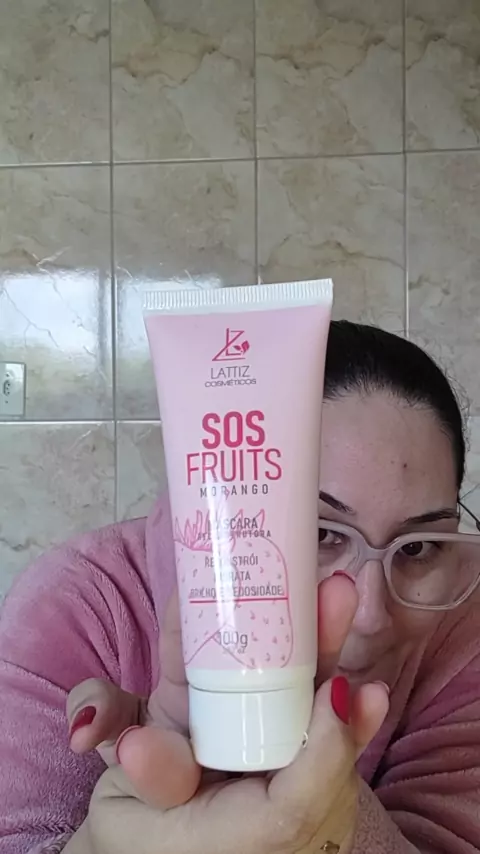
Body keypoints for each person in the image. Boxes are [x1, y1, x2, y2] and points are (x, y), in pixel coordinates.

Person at [1, 321, 480, 854]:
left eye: (417, 547)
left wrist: (339, 824)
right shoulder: (77, 605)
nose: (369, 614)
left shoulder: (465, 620)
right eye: (318, 533)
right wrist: (96, 846)